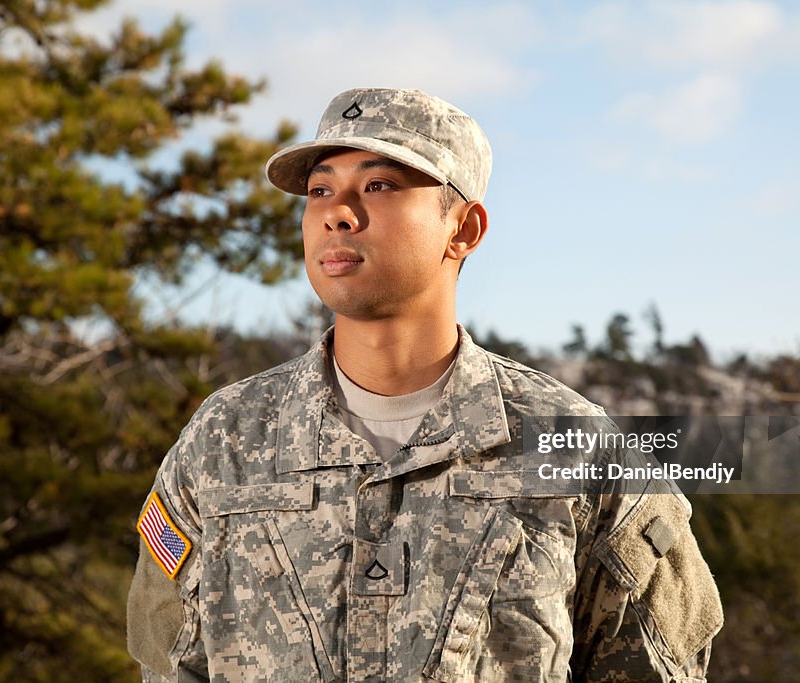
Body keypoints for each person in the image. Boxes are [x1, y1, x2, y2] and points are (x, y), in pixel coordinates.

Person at [126, 87, 723, 682]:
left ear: (462, 228)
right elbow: (167, 661)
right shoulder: (225, 440)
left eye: (379, 185)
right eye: (319, 190)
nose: (337, 211)